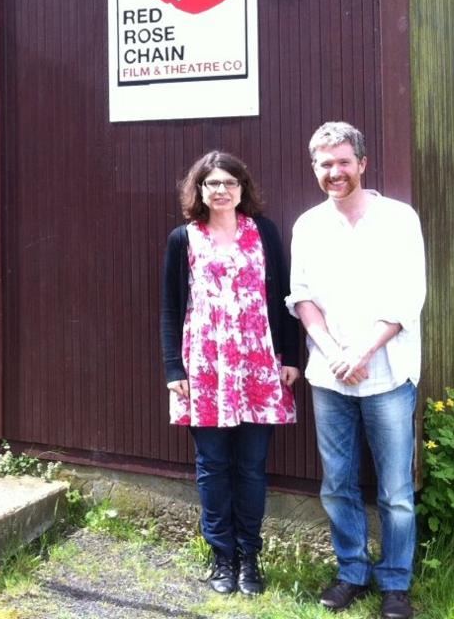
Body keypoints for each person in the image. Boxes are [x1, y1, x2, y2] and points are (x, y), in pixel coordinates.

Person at [286, 121, 425, 619]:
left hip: (387, 373)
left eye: (344, 161)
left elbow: (409, 296)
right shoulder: (308, 224)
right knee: (337, 483)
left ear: (362, 164)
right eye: (325, 163)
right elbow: (301, 296)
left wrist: (361, 352)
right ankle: (352, 573)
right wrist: (331, 351)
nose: (335, 171)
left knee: (395, 491)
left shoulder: (398, 219)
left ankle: (395, 583)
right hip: (330, 377)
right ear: (315, 167)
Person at [161, 151, 301, 596]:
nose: (221, 190)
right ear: (199, 190)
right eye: (212, 183)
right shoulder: (183, 238)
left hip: (259, 367)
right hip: (203, 370)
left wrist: (290, 357)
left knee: (253, 467)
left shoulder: (265, 233)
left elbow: (285, 298)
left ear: (243, 188)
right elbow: (169, 307)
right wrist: (172, 367)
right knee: (212, 466)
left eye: (230, 182)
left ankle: (250, 559)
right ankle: (223, 557)